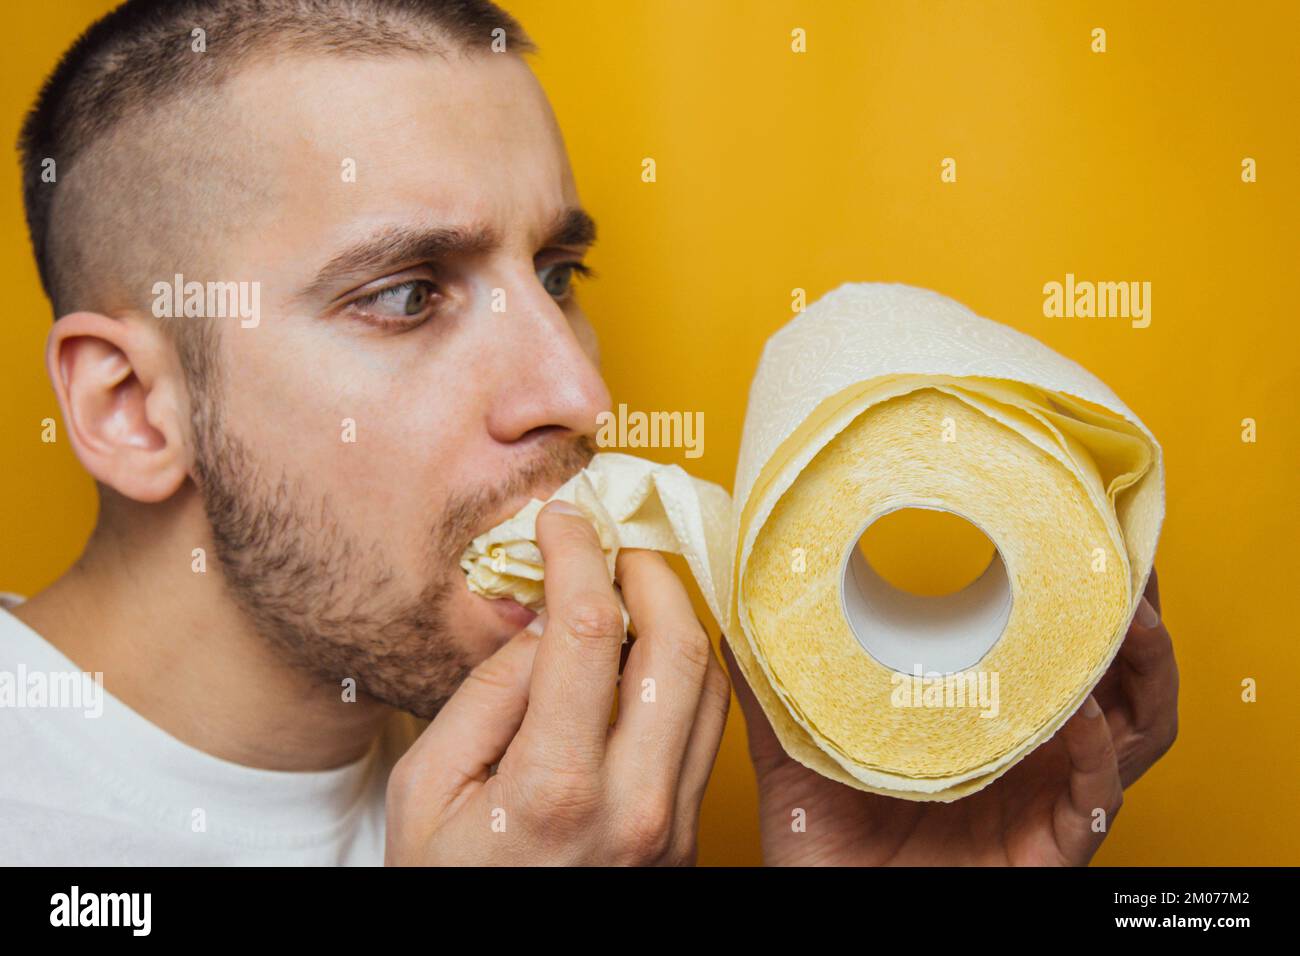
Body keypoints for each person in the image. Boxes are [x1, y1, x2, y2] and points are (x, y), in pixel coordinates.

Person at [1, 0, 1178, 866]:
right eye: (409, 292)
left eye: (558, 273)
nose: (576, 393)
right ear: (131, 408)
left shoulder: (549, 811)